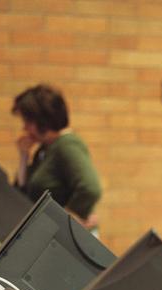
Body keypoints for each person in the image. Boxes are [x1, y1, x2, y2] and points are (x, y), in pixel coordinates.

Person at [12, 84, 102, 231]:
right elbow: (23, 194)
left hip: (67, 238)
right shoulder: (45, 149)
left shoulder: (67, 145)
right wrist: (23, 157)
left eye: (28, 122)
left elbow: (90, 188)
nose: (25, 128)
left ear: (43, 120)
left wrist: (66, 221)